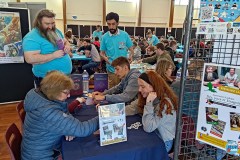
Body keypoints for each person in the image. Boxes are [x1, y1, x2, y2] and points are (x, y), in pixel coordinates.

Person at [21, 71, 99, 160]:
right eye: (66, 92)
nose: (69, 95)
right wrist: (102, 117)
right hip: (42, 156)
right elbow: (82, 129)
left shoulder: (38, 96)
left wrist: (68, 129)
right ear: (54, 91)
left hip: (35, 150)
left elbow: (64, 114)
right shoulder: (48, 112)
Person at [126, 71, 178, 153]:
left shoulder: (165, 104)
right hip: (154, 136)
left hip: (164, 142)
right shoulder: (146, 97)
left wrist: (149, 103)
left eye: (142, 87)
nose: (139, 90)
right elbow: (131, 108)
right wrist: (111, 112)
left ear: (153, 87)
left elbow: (148, 127)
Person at [22, 9, 72, 87]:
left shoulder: (56, 31)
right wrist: (53, 55)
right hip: (48, 80)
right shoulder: (31, 37)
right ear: (39, 22)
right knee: (49, 99)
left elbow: (66, 41)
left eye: (53, 23)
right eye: (47, 24)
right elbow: (30, 59)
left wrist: (67, 46)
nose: (51, 26)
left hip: (64, 76)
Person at [100, 12, 134, 88]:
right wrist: (106, 59)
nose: (111, 27)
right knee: (113, 92)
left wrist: (131, 56)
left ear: (118, 23)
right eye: (109, 24)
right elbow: (101, 53)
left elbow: (131, 49)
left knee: (126, 92)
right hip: (112, 70)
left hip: (124, 71)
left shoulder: (124, 35)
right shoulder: (105, 37)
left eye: (113, 24)